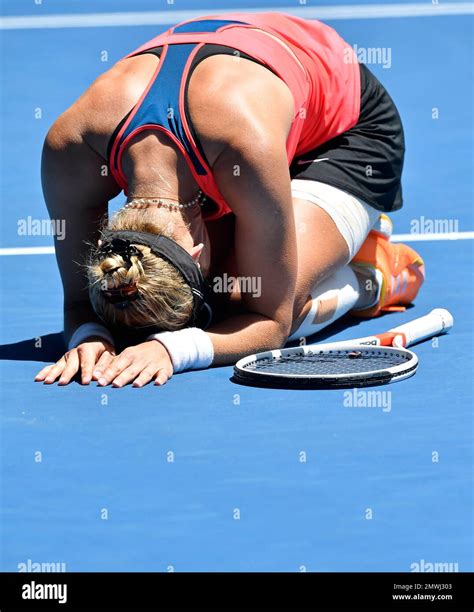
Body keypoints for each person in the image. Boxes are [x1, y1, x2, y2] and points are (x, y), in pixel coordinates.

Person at [35, 12, 424, 388]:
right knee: (152, 300)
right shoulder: (73, 148)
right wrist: (89, 334)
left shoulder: (243, 145)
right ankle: (326, 235)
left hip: (346, 133)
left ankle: (371, 276)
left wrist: (176, 347)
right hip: (235, 132)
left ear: (198, 247)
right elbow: (78, 301)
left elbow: (271, 321)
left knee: (237, 299)